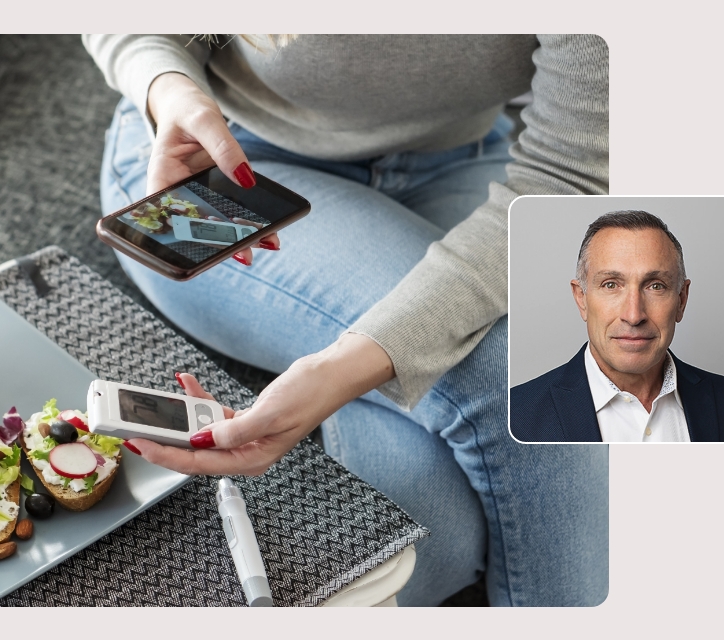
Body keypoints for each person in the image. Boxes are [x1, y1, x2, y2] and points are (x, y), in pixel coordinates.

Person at [83, 34, 609, 606]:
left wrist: (340, 372)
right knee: (527, 388)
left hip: (467, 160)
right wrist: (170, 89)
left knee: (440, 530)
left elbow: (567, 179)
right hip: (222, 160)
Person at [510, 211, 724, 443]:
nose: (634, 315)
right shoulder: (513, 416)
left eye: (655, 286)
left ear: (681, 300)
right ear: (581, 298)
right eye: (611, 285)